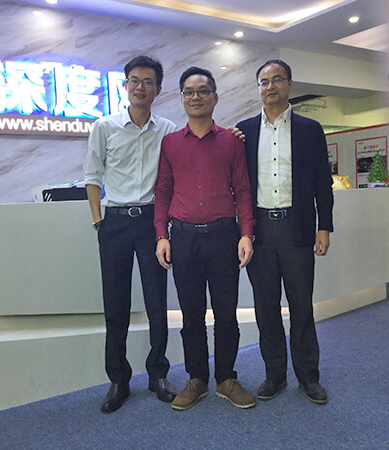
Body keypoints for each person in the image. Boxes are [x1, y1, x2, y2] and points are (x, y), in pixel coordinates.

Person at [154, 66, 256, 410]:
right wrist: (161, 235)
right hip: (183, 239)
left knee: (226, 313)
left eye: (202, 91)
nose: (195, 96)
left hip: (224, 236)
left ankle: (226, 378)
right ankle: (196, 379)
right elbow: (163, 190)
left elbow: (243, 190)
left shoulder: (231, 141)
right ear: (182, 98)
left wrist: (246, 233)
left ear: (215, 97)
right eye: (189, 91)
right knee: (191, 315)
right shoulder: (170, 143)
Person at [236, 59, 334, 404]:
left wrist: (325, 226)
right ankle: (274, 376)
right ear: (258, 88)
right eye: (264, 82)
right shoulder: (244, 132)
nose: (270, 86)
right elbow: (238, 185)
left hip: (298, 229)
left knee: (301, 307)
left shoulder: (310, 129)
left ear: (289, 84)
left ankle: (308, 377)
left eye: (277, 79)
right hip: (260, 231)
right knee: (266, 308)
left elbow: (323, 183)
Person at [85, 55, 177, 413]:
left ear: (158, 89)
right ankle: (119, 379)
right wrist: (99, 222)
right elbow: (92, 177)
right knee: (116, 305)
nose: (141, 87)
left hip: (153, 224)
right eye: (134, 80)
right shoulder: (105, 127)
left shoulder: (167, 129)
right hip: (115, 223)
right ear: (125, 86)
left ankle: (157, 374)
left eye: (148, 81)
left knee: (157, 302)